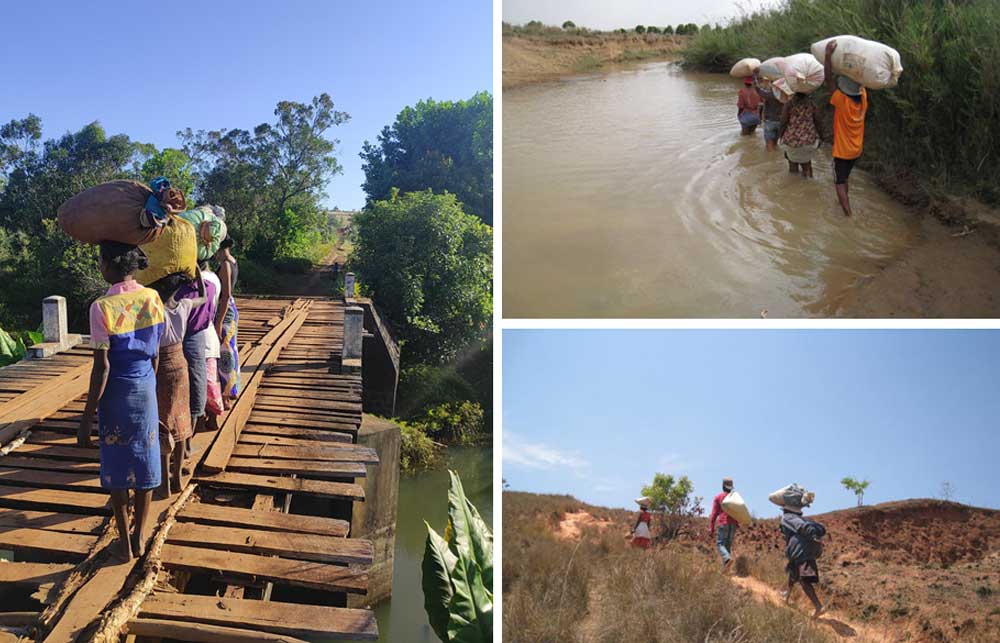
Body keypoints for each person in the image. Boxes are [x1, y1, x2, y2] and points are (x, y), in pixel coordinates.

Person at [78, 242, 165, 561]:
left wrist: (87, 417)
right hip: (145, 388)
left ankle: (125, 546)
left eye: (100, 260)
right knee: (144, 461)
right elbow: (155, 353)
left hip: (116, 392)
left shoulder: (101, 307)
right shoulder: (152, 298)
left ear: (108, 266)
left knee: (117, 467)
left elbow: (102, 367)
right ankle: (141, 537)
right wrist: (150, 388)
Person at [149, 272, 206, 498]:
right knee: (181, 419)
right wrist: (198, 274)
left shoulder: (155, 310)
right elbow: (203, 296)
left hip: (160, 365)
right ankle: (177, 479)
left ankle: (163, 484)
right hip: (180, 363)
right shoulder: (183, 304)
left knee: (163, 423)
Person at [176, 266, 218, 453]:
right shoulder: (209, 288)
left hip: (174, 339)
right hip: (196, 338)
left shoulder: (173, 291)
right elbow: (210, 313)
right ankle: (187, 444)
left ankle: (176, 442)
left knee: (176, 387)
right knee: (196, 383)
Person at [824, 39, 868, 216]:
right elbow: (861, 83)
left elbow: (828, 79)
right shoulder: (863, 98)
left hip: (842, 152)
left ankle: (847, 214)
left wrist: (828, 56)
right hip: (856, 150)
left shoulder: (842, 101)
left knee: (839, 182)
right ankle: (843, 202)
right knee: (845, 178)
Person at [779, 492, 827, 618]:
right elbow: (821, 529)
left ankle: (818, 606)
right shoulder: (804, 519)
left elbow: (803, 528)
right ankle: (786, 595)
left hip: (801, 550)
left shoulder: (788, 517)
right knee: (793, 571)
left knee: (803, 579)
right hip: (804, 550)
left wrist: (812, 535)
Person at [214, 237, 241, 407]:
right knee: (230, 350)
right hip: (231, 309)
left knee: (225, 352)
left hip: (226, 311)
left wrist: (218, 321)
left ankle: (226, 395)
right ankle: (231, 390)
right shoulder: (233, 260)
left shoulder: (225, 264)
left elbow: (225, 296)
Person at [200, 261, 224, 424]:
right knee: (211, 378)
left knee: (201, 380)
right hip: (209, 330)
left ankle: (203, 415)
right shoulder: (214, 277)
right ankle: (213, 414)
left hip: (200, 334)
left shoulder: (198, 279)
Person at [778, 92, 823, 177]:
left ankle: (794, 187)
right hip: (809, 141)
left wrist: (780, 136)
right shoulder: (812, 104)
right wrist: (821, 137)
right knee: (807, 166)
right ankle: (809, 186)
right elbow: (818, 121)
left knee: (793, 167)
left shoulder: (789, 104)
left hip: (791, 141)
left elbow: (783, 122)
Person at [709, 477, 737, 571]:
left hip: (723, 522)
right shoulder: (735, 497)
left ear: (722, 486)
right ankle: (726, 569)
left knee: (720, 544)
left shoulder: (719, 497)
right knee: (728, 545)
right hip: (733, 524)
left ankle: (727, 559)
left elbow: (714, 514)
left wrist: (711, 527)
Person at [758, 79, 784, 151]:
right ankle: (775, 159)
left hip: (770, 121)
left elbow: (757, 89)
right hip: (781, 121)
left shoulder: (769, 95)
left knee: (769, 144)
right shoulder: (785, 96)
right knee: (775, 143)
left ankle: (771, 159)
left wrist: (755, 76)